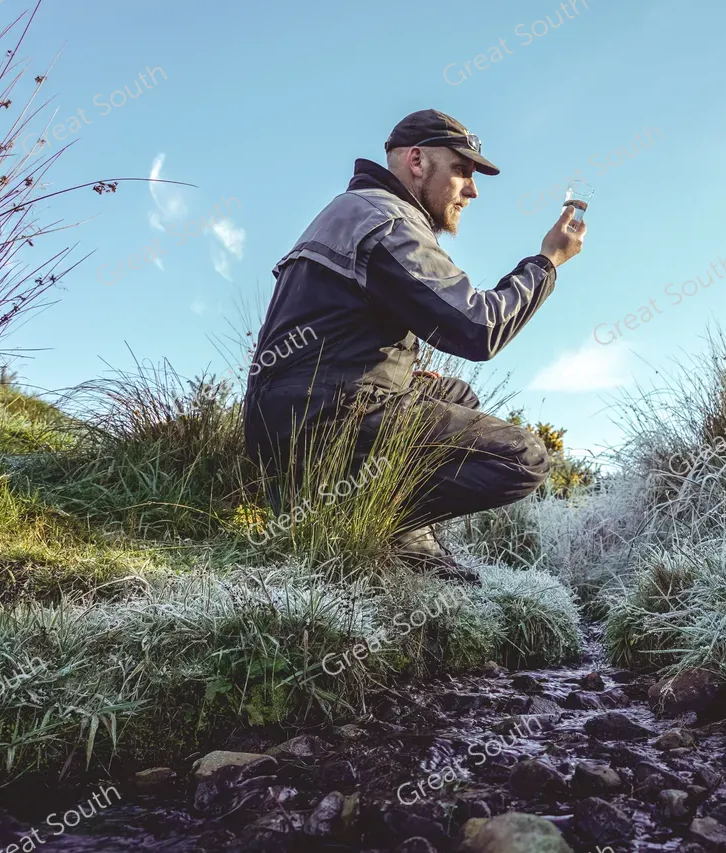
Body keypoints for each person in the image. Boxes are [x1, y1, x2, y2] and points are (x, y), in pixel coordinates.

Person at [243, 109, 586, 581]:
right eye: (462, 171)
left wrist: (399, 376)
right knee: (522, 458)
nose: (472, 189)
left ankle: (396, 531)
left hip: (296, 416)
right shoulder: (387, 221)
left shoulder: (355, 209)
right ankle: (370, 531)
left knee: (456, 395)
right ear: (418, 161)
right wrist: (547, 263)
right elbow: (478, 328)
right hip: (325, 424)